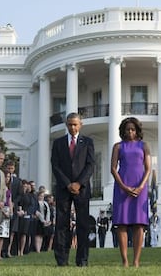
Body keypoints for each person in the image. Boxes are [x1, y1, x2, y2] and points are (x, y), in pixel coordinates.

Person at [51, 112, 95, 267]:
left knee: (83, 225)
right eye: (70, 124)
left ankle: (82, 260)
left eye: (75, 124)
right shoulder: (58, 143)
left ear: (80, 125)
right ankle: (62, 260)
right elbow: (55, 165)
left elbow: (90, 165)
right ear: (66, 125)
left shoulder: (88, 142)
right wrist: (68, 183)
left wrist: (78, 183)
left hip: (81, 189)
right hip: (64, 189)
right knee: (62, 225)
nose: (73, 127)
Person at [111, 117, 151, 267]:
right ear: (123, 130)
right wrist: (124, 187)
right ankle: (125, 261)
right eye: (127, 129)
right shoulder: (118, 147)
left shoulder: (144, 146)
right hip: (122, 188)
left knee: (139, 224)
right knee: (121, 224)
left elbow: (148, 169)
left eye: (133, 129)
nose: (130, 132)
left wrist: (140, 186)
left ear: (137, 130)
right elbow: (113, 169)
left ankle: (136, 261)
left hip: (140, 188)